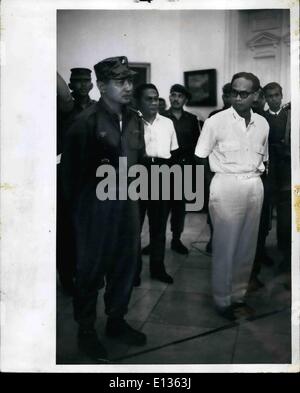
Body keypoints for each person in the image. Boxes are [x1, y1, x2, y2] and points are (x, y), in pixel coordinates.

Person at [61, 56, 147, 362]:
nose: (128, 87)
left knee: (125, 265)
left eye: (130, 80)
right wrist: (80, 218)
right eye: (120, 81)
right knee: (90, 270)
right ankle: (86, 331)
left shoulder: (135, 118)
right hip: (95, 209)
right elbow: (69, 178)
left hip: (128, 206)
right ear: (101, 86)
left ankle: (116, 320)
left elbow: (141, 162)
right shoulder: (84, 123)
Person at [195, 72, 269, 321]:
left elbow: (263, 160)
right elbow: (200, 157)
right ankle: (222, 300)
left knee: (247, 247)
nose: (237, 98)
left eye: (244, 93)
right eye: (234, 92)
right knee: (226, 247)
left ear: (256, 95)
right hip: (225, 185)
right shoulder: (215, 121)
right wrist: (212, 191)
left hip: (254, 185)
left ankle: (238, 297)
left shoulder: (263, 123)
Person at [134, 83, 178, 284]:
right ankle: (133, 271)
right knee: (134, 225)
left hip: (162, 172)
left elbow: (172, 151)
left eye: (156, 98)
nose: (154, 102)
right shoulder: (131, 122)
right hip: (138, 173)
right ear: (138, 101)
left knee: (159, 225)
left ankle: (157, 267)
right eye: (148, 99)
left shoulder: (168, 123)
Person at [263, 82, 291, 275]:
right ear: (265, 98)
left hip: (287, 173)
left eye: (276, 95)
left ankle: (287, 256)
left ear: (281, 96)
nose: (273, 99)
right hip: (266, 172)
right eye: (269, 96)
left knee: (286, 217)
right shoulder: (261, 118)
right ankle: (260, 252)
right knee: (263, 214)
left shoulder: (290, 116)